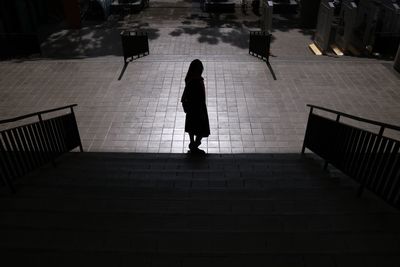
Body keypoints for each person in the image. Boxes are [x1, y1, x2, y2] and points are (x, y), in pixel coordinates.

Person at [181, 59, 210, 154]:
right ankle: (194, 144)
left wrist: (186, 107)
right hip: (199, 108)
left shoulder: (191, 80)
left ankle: (193, 144)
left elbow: (184, 97)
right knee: (201, 128)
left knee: (192, 127)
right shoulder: (195, 81)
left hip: (193, 109)